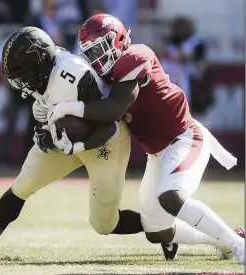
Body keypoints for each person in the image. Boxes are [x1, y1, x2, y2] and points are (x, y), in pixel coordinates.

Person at [42, 14, 244, 264]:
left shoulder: (136, 55)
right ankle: (224, 239)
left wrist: (68, 107)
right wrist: (70, 139)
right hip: (157, 152)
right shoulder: (103, 78)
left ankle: (238, 245)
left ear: (119, 40)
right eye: (90, 53)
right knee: (156, 231)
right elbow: (104, 123)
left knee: (170, 196)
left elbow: (114, 108)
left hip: (185, 138)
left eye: (100, 50)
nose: (96, 59)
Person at [0, 26, 135, 263]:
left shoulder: (73, 75)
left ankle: (164, 230)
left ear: (39, 65)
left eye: (22, 76)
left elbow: (108, 126)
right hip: (69, 136)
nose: (21, 83)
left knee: (104, 223)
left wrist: (73, 146)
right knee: (23, 184)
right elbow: (47, 109)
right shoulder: (43, 71)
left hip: (105, 142)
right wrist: (47, 129)